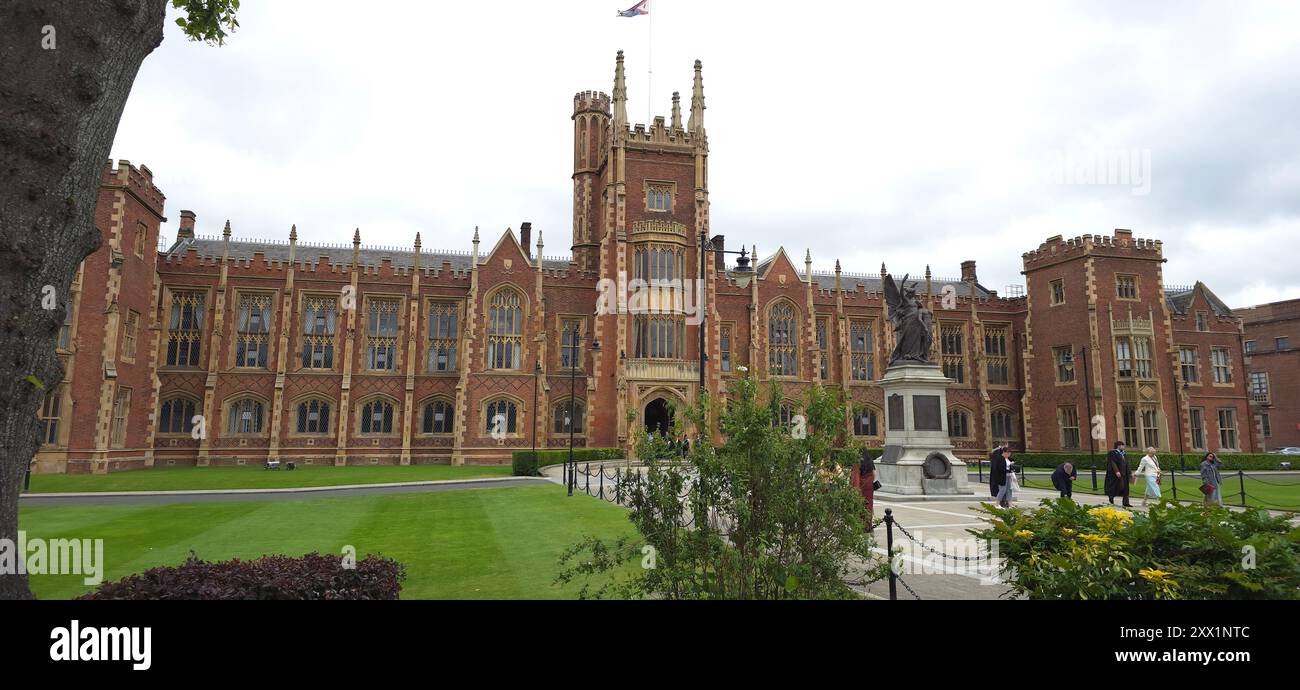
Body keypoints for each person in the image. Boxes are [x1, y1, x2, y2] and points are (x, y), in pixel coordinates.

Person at [852, 449, 877, 529]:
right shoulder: (870, 460)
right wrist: (869, 481)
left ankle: (860, 524)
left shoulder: (857, 461)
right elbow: (874, 473)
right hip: (869, 486)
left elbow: (855, 476)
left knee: (860, 504)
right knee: (869, 504)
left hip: (860, 485)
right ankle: (868, 525)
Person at [1105, 441, 1133, 508]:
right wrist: (1116, 471)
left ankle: (1126, 502)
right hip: (1115, 474)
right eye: (1122, 445)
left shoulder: (1123, 453)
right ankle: (1111, 496)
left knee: (1126, 488)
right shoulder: (1112, 453)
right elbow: (1112, 462)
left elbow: (1127, 463)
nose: (1123, 447)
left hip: (1124, 473)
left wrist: (1129, 472)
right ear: (1118, 446)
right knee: (1116, 487)